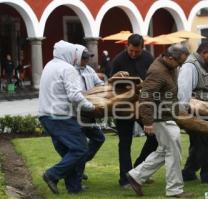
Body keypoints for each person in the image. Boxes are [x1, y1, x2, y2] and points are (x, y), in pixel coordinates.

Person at [126, 44, 194, 198]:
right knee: (174, 151)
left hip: (166, 115)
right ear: (170, 58)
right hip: (161, 118)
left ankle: (136, 176)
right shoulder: (158, 72)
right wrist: (148, 122)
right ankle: (175, 190)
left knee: (164, 150)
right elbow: (146, 96)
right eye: (179, 63)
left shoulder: (169, 67)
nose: (180, 66)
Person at [38, 40, 100, 194]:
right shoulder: (68, 69)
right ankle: (52, 175)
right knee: (81, 149)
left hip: (46, 116)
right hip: (61, 116)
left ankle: (74, 188)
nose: (77, 58)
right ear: (69, 54)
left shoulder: (49, 65)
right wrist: (92, 107)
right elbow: (74, 95)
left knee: (69, 152)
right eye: (75, 54)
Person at [110, 33, 158, 188]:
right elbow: (110, 84)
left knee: (154, 138)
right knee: (125, 142)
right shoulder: (118, 60)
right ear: (127, 46)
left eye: (137, 52)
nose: (133, 54)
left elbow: (154, 80)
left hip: (143, 105)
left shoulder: (149, 58)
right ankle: (124, 179)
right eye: (131, 51)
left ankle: (137, 171)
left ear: (142, 48)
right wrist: (116, 76)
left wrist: (146, 84)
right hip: (123, 106)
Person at [178, 42, 208, 183]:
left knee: (198, 142)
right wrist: (183, 111)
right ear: (204, 53)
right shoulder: (189, 66)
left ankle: (188, 172)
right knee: (202, 141)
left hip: (206, 109)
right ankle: (207, 174)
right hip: (194, 110)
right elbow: (184, 89)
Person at [74, 45, 106, 181]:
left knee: (99, 138)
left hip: (91, 111)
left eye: (88, 57)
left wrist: (103, 89)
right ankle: (77, 171)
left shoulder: (89, 70)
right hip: (78, 112)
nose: (87, 60)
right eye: (84, 58)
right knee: (81, 144)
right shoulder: (70, 72)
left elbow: (99, 84)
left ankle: (76, 166)